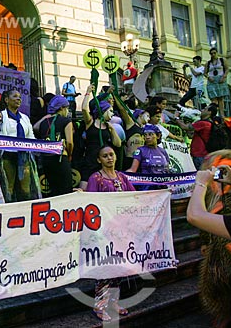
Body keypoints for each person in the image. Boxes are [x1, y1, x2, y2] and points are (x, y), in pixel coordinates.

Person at [187, 151, 231, 327]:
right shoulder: (213, 194)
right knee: (218, 288)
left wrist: (200, 183)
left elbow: (195, 215)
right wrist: (205, 241)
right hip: (218, 250)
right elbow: (205, 217)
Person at [87, 145, 135, 321]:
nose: (109, 158)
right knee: (105, 270)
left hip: (121, 232)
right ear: (99, 159)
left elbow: (133, 197)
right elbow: (91, 204)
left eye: (112, 154)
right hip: (103, 233)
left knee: (119, 268)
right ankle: (100, 306)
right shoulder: (96, 178)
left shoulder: (122, 177)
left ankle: (113, 302)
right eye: (105, 156)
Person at [0, 89, 41, 202]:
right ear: (7, 100)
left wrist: (39, 146)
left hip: (24, 157)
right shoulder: (0, 116)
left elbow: (31, 136)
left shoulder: (24, 118)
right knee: (9, 188)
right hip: (8, 156)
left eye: (20, 97)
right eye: (15, 96)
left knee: (26, 189)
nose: (18, 99)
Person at [79, 85, 122, 189]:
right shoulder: (91, 123)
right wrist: (88, 92)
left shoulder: (108, 126)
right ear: (103, 111)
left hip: (103, 162)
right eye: (110, 111)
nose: (112, 114)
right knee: (85, 188)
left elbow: (118, 144)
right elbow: (84, 109)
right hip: (90, 161)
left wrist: (112, 130)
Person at [38, 95, 74, 195]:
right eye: (67, 108)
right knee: (66, 190)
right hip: (61, 159)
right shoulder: (66, 121)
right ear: (62, 108)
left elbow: (36, 128)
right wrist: (70, 154)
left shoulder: (44, 123)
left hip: (47, 160)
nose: (67, 111)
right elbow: (70, 142)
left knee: (53, 191)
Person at [173, 103, 219, 170]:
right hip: (204, 154)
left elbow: (185, 127)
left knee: (199, 174)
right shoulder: (210, 123)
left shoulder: (203, 123)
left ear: (209, 112)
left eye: (205, 109)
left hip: (199, 154)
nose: (202, 110)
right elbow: (190, 135)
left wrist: (176, 118)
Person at [205, 48, 229, 116]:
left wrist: (224, 77)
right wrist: (209, 77)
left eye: (214, 53)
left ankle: (222, 115)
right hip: (212, 80)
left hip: (220, 79)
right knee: (213, 99)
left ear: (217, 53)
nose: (213, 54)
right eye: (211, 53)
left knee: (221, 98)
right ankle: (214, 114)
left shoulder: (222, 60)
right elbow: (205, 73)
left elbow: (227, 69)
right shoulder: (208, 63)